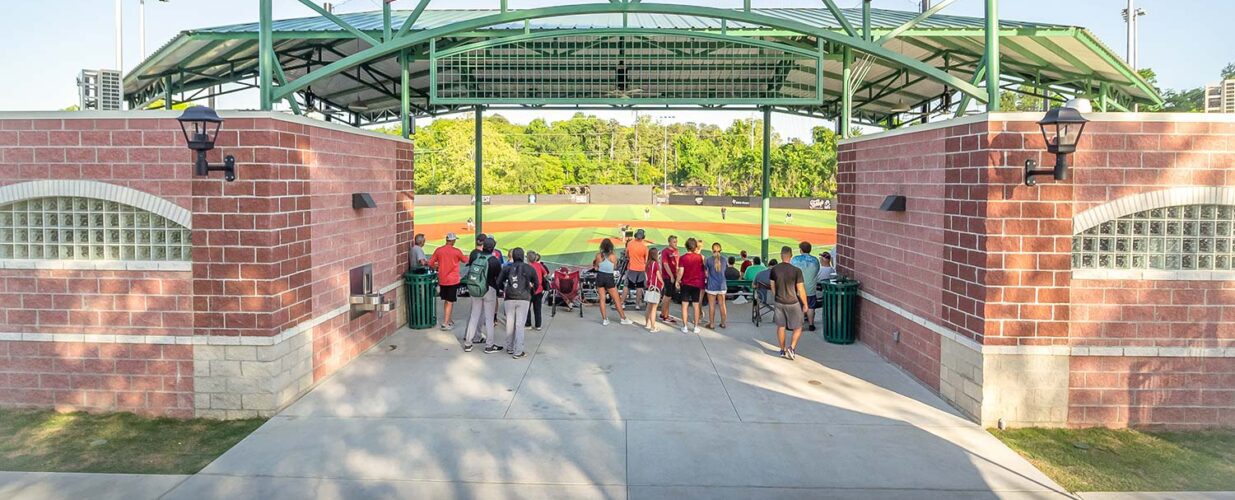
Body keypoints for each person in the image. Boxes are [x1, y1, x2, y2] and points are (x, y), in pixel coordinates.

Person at [498, 248, 539, 359]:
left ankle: (510, 348)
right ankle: (518, 351)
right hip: (524, 298)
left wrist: (505, 289)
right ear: (523, 256)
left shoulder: (507, 268)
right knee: (519, 325)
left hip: (509, 297)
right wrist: (532, 291)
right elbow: (537, 282)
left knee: (510, 324)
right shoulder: (529, 268)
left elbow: (498, 282)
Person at [770, 247, 810, 360]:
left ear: (781, 255)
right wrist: (805, 304)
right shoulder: (797, 271)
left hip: (779, 301)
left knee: (781, 326)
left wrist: (776, 295)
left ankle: (782, 350)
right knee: (798, 326)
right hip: (793, 302)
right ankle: (791, 347)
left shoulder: (774, 269)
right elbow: (801, 289)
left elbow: (772, 286)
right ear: (791, 256)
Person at [465, 237, 502, 353]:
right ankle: (489, 345)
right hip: (489, 289)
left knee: (474, 316)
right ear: (493, 248)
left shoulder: (477, 257)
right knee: (489, 318)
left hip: (476, 289)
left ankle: (468, 343)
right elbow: (498, 276)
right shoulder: (493, 260)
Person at [427, 232, 466, 331]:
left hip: (442, 279)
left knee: (447, 300)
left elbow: (430, 263)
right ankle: (445, 323)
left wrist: (437, 266)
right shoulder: (456, 251)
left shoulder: (439, 250)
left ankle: (448, 319)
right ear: (452, 241)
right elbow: (465, 260)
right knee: (450, 301)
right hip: (452, 280)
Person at [593, 238, 634, 326]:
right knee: (616, 299)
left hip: (600, 277)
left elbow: (596, 267)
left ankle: (604, 319)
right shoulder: (613, 256)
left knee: (602, 299)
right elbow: (615, 267)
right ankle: (623, 318)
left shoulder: (598, 256)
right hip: (608, 277)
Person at [676, 237, 706, 334]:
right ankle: (696, 326)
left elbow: (681, 271)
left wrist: (677, 281)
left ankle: (685, 326)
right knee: (696, 305)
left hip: (686, 283)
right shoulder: (699, 257)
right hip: (696, 283)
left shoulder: (683, 258)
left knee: (684, 305)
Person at [790, 241, 821, 332]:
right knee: (811, 307)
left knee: (798, 307)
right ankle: (811, 324)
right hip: (810, 288)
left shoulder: (795, 259)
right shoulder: (815, 260)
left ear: (801, 250)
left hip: (798, 288)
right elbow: (817, 270)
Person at [624, 229, 649, 310]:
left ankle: (622, 303)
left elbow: (626, 255)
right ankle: (637, 305)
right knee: (639, 287)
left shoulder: (630, 244)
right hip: (641, 269)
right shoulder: (645, 246)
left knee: (627, 286)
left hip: (631, 268)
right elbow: (646, 259)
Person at [705, 242, 728, 329]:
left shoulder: (708, 260)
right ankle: (723, 323)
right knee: (722, 305)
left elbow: (706, 273)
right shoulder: (724, 260)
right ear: (721, 250)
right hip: (722, 285)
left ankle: (711, 324)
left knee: (712, 305)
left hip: (711, 286)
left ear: (712, 250)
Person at [658, 235, 680, 324]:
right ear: (669, 242)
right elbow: (665, 264)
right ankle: (664, 315)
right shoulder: (665, 251)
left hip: (674, 275)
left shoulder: (676, 251)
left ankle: (665, 314)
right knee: (667, 296)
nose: (676, 243)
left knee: (669, 296)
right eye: (674, 242)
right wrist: (671, 275)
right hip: (668, 277)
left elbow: (677, 263)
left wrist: (678, 276)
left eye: (676, 241)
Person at [524, 251, 548, 331]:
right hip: (539, 290)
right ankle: (538, 325)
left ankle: (528, 324)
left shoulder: (527, 267)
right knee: (537, 308)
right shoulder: (539, 265)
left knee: (527, 308)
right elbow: (545, 274)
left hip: (529, 290)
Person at [643, 247, 664, 333]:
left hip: (649, 286)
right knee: (654, 308)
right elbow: (658, 275)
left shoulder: (648, 263)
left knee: (649, 306)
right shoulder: (655, 264)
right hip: (655, 287)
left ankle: (647, 323)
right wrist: (663, 283)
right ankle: (653, 327)